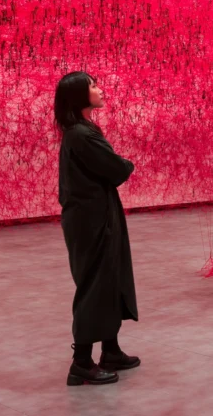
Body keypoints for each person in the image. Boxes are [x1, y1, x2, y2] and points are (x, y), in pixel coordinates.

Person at [54, 71, 140, 386]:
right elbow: (116, 169)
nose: (100, 89)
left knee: (109, 279)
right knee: (95, 285)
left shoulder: (82, 131)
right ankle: (81, 363)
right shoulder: (81, 135)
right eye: (92, 86)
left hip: (97, 215)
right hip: (91, 221)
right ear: (78, 96)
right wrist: (127, 164)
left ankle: (111, 349)